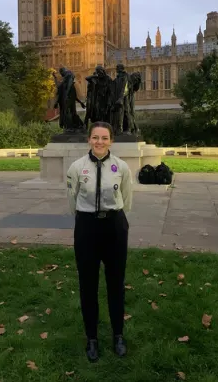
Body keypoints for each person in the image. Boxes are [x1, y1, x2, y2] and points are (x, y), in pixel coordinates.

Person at [66, 121, 133, 362]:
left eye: (104, 138)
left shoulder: (121, 167)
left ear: (111, 141)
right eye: (95, 137)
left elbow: (126, 197)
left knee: (116, 283)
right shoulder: (76, 167)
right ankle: (92, 338)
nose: (100, 142)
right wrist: (87, 220)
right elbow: (71, 199)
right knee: (88, 284)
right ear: (89, 140)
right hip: (87, 228)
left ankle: (118, 335)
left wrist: (114, 217)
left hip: (114, 227)